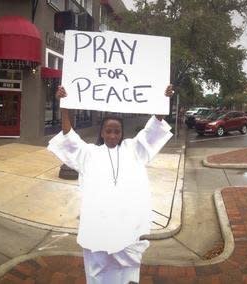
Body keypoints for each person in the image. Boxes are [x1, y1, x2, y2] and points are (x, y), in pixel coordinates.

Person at [47, 85, 174, 284]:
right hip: (98, 224)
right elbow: (69, 136)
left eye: (117, 131)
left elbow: (152, 130)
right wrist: (64, 107)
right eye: (109, 131)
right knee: (98, 270)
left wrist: (162, 100)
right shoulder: (89, 154)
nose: (113, 135)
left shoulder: (132, 149)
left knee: (126, 273)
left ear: (122, 133)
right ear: (102, 132)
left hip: (126, 224)